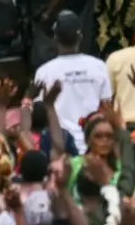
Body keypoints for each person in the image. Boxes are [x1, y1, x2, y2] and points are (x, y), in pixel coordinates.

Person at [34, 11, 111, 149]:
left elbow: (40, 114)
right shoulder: (98, 66)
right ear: (80, 37)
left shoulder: (44, 72)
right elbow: (106, 107)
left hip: (59, 145)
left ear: (55, 38)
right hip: (94, 144)